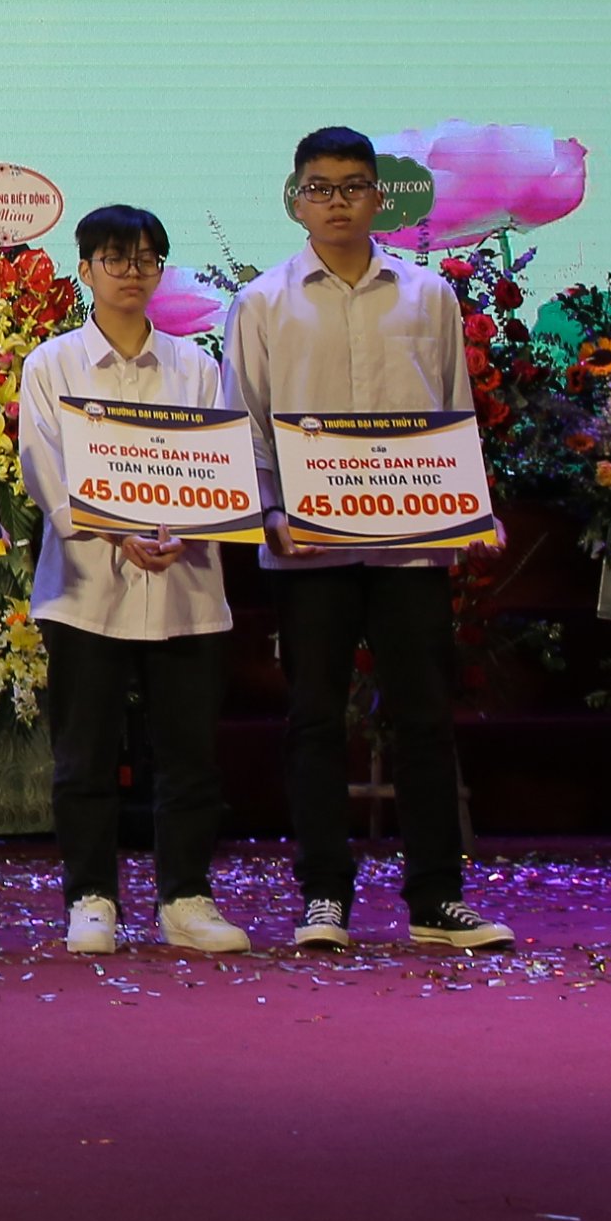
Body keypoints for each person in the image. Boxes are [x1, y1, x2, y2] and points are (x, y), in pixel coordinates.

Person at [232, 127, 517, 954]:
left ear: (377, 198)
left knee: (423, 717)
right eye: (319, 188)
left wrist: (472, 508)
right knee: (314, 721)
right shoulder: (262, 302)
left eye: (352, 186)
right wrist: (269, 513)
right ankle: (323, 895)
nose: (336, 203)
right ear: (295, 199)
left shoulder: (427, 296)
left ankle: (435, 897)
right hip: (307, 547)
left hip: (410, 544)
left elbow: (452, 411)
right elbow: (245, 422)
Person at [14, 206, 249, 957]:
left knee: (188, 757)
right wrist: (115, 531)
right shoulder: (52, 364)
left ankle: (185, 898)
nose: (131, 273)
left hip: (185, 586)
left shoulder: (196, 367)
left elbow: (217, 468)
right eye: (115, 259)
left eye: (147, 259)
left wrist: (190, 528)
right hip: (88, 588)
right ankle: (91, 897)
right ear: (85, 269)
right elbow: (42, 466)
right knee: (84, 756)